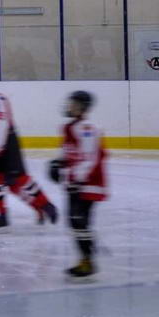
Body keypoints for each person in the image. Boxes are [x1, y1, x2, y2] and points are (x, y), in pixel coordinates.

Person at [0, 72, 57, 227]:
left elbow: (1, 122)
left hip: (7, 141)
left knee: (19, 178)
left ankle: (46, 204)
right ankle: (2, 215)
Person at [52, 90, 108, 281]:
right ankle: (85, 257)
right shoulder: (69, 127)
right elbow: (69, 152)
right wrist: (58, 164)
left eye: (74, 104)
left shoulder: (87, 128)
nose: (70, 106)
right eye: (70, 103)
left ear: (83, 108)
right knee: (74, 221)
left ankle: (88, 260)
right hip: (75, 184)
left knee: (79, 220)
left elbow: (90, 158)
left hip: (89, 184)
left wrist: (77, 178)